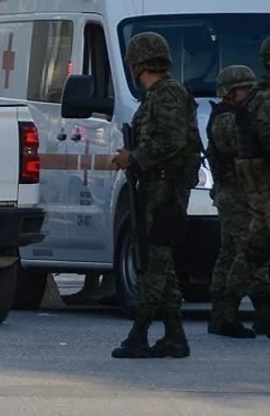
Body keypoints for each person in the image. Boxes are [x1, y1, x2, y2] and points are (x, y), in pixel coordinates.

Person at [111, 32, 202, 359]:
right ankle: (175, 336)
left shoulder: (167, 95)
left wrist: (133, 158)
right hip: (156, 188)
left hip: (166, 192)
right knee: (159, 264)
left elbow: (172, 141)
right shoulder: (161, 95)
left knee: (154, 266)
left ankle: (139, 334)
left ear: (137, 64)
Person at [207, 65, 270, 337]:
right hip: (233, 194)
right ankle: (256, 313)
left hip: (246, 193)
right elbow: (234, 140)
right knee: (249, 253)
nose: (249, 93)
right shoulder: (223, 119)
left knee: (232, 255)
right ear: (229, 93)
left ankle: (224, 315)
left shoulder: (243, 114)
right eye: (243, 89)